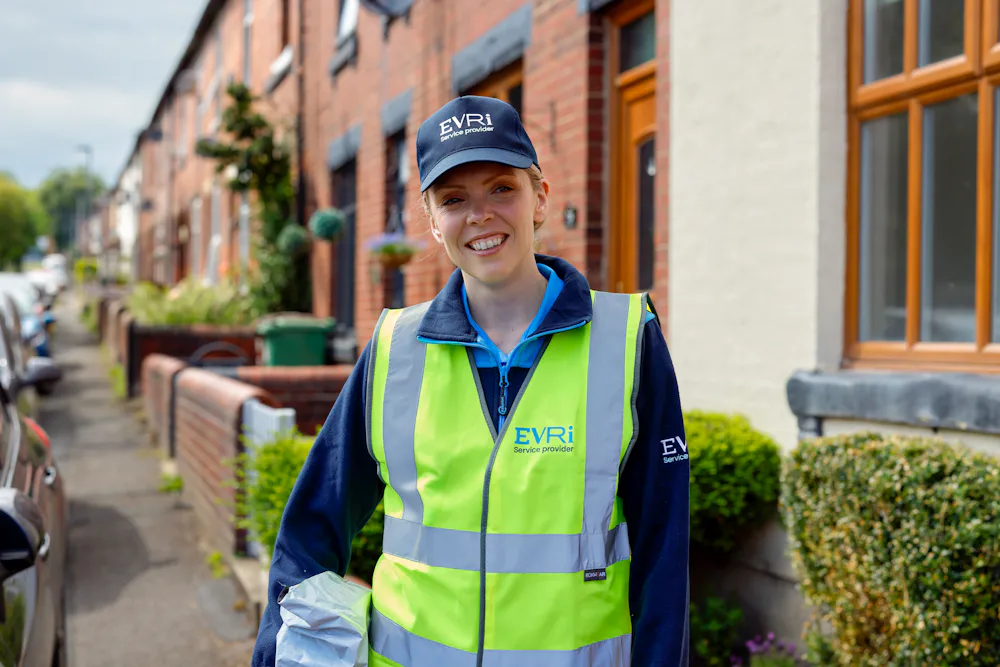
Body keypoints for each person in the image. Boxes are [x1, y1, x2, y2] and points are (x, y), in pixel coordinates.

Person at [251, 95, 690, 667]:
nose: (479, 215)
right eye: (454, 200)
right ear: (432, 222)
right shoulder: (393, 350)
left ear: (540, 197)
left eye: (501, 188)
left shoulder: (627, 341)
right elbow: (310, 529)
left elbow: (664, 552)